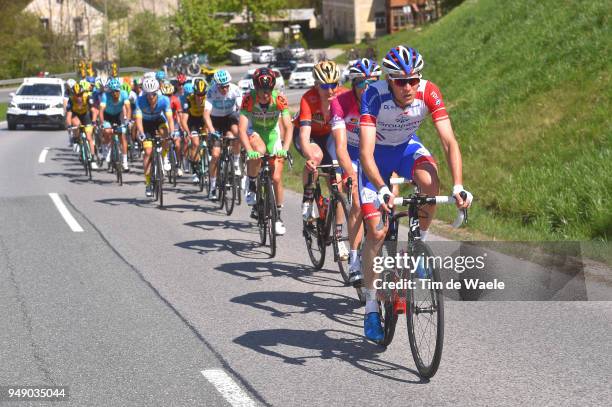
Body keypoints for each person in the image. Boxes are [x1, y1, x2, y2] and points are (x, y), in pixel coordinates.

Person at [358, 45, 473, 342]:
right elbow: (366, 152)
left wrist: (458, 185)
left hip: (406, 148)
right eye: (400, 80)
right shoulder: (373, 94)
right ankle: (371, 307)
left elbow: (448, 141)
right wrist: (382, 188)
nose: (408, 87)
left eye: (413, 79)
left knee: (430, 183)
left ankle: (418, 244)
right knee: (376, 232)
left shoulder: (428, 91)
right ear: (389, 80)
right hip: (376, 158)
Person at [330, 58, 382, 286]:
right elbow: (340, 146)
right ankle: (353, 260)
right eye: (361, 83)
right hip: (350, 154)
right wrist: (350, 173)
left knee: (385, 202)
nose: (367, 88)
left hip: (375, 154)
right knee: (359, 205)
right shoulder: (340, 103)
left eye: (373, 82)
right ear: (353, 84)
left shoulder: (383, 100)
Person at [238, 68, 293, 235]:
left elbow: (288, 125)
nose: (265, 94)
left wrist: (285, 149)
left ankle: (278, 217)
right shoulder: (249, 99)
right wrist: (248, 150)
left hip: (272, 133)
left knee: (276, 178)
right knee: (258, 152)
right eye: (262, 90)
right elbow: (241, 129)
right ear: (256, 88)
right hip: (255, 132)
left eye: (268, 90)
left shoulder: (279, 99)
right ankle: (252, 182)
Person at [293, 61, 347, 222]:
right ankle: (308, 195)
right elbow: (304, 135)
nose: (330, 90)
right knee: (315, 157)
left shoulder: (344, 95)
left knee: (337, 185)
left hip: (330, 135)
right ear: (316, 85)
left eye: (334, 84)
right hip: (309, 135)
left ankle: (339, 238)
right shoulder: (308, 98)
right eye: (324, 86)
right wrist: (310, 159)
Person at [204, 69, 243, 200]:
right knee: (215, 155)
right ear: (217, 85)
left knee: (237, 134)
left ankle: (236, 163)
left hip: (230, 117)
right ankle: (213, 187)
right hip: (215, 120)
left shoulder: (235, 90)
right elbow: (206, 114)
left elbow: (241, 110)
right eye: (222, 86)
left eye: (226, 85)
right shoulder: (211, 91)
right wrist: (211, 130)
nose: (225, 89)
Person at [134, 77, 175, 197]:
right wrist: (141, 133)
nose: (150, 97)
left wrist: (172, 132)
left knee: (165, 133)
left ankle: (164, 157)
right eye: (148, 94)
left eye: (153, 94)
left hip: (158, 121)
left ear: (157, 92)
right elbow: (138, 119)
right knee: (148, 152)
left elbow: (170, 119)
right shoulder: (140, 100)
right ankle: (147, 183)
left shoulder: (164, 100)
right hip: (145, 124)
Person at [180, 78, 208, 186]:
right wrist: (187, 132)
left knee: (209, 140)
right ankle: (195, 170)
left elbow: (211, 116)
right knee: (195, 144)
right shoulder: (189, 100)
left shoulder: (208, 99)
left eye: (202, 94)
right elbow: (183, 120)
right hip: (193, 122)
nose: (200, 97)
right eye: (198, 94)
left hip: (204, 120)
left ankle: (207, 160)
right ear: (194, 93)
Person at [99, 78, 132, 171]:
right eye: (113, 91)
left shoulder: (124, 94)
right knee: (108, 131)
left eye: (117, 91)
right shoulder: (105, 96)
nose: (115, 93)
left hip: (118, 115)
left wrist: (128, 121)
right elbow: (101, 111)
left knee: (122, 136)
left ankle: (125, 162)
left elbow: (128, 109)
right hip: (107, 115)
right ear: (110, 91)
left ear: (119, 90)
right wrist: (101, 123)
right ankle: (107, 148)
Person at [65, 81, 98, 168]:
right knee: (76, 124)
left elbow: (94, 111)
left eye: (80, 94)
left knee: (89, 137)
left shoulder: (87, 97)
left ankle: (93, 159)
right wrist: (69, 126)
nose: (79, 97)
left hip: (85, 114)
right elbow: (68, 115)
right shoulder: (71, 99)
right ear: (73, 95)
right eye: (77, 95)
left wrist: (94, 121)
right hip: (76, 115)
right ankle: (76, 139)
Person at [160, 81, 187, 176]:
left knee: (178, 144)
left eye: (170, 95)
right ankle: (164, 159)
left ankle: (178, 165)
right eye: (165, 95)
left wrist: (181, 127)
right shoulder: (160, 100)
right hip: (163, 121)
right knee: (164, 141)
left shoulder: (175, 99)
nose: (168, 97)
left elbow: (179, 115)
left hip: (174, 122)